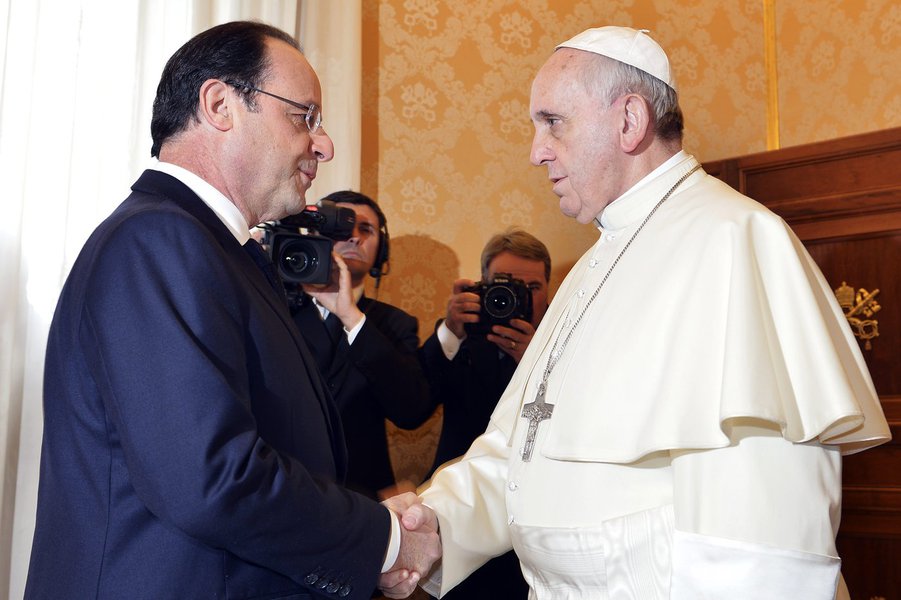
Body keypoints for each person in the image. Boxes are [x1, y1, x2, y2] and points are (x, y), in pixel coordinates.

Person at [384, 26, 891, 600]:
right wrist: (433, 525)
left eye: (553, 122)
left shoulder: (734, 239)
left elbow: (763, 542)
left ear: (629, 121)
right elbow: (521, 447)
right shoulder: (596, 263)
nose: (535, 150)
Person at [25, 21, 439, 600]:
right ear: (220, 104)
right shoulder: (157, 241)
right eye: (305, 116)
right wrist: (385, 539)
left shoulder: (217, 248)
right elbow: (211, 478)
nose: (325, 144)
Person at [418, 227, 551, 599]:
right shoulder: (459, 339)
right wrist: (451, 330)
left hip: (532, 521)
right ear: (481, 286)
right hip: (459, 517)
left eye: (532, 288)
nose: (518, 297)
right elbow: (413, 405)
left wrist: (534, 365)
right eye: (504, 285)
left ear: (549, 292)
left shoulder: (562, 350)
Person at [292, 190, 433, 501]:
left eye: (366, 229)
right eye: (342, 228)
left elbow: (412, 412)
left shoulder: (395, 324)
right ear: (314, 234)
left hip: (366, 502)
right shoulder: (275, 308)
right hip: (286, 492)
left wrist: (350, 316)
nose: (354, 238)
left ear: (380, 251)